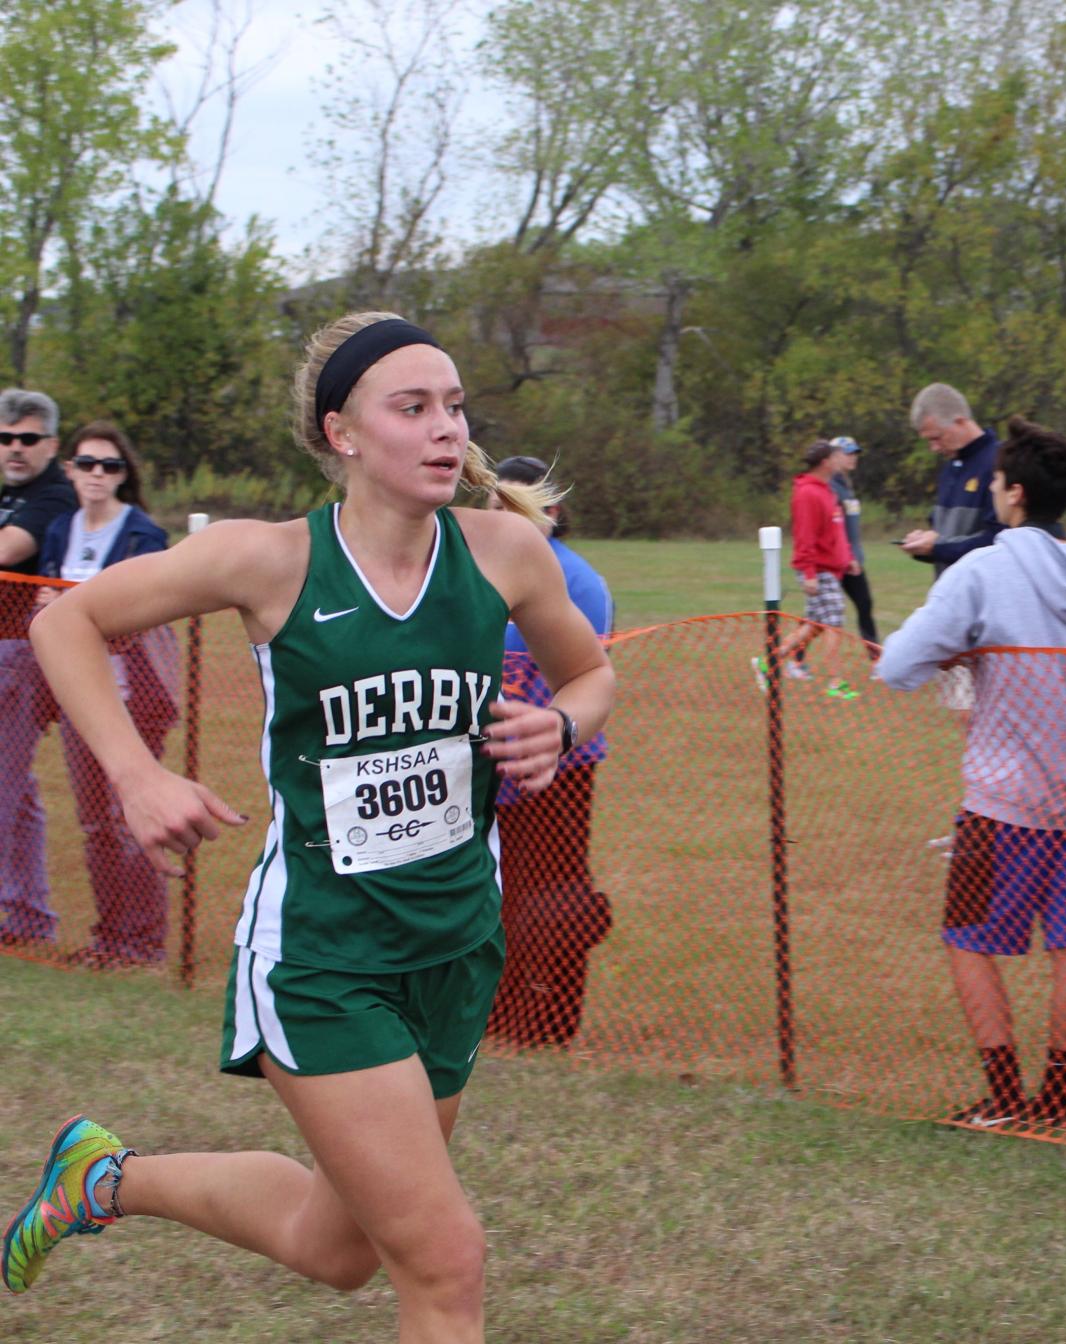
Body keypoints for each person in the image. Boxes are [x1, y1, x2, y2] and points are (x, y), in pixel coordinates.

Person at [3, 312, 615, 1342]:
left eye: (454, 408)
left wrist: (559, 723)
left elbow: (590, 674)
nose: (443, 431)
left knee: (340, 1249)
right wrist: (135, 773)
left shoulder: (505, 550)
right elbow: (65, 620)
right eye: (410, 408)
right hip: (325, 953)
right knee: (445, 1260)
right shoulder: (269, 560)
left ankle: (102, 1180)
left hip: (457, 942)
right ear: (343, 432)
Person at [878, 416, 1066, 1131]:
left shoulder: (983, 569)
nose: (990, 488)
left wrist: (963, 654)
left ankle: (1002, 1096)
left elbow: (897, 664)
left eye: (995, 480)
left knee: (965, 940)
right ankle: (1055, 1102)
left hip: (999, 804)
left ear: (1014, 494)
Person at [34, 421, 175, 967]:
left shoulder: (141, 533)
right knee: (95, 823)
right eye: (87, 464)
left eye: (109, 466)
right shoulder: (60, 530)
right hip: (83, 696)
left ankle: (142, 942)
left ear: (124, 475)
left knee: (130, 816)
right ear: (70, 469)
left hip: (133, 695)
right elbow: (45, 607)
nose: (97, 475)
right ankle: (108, 935)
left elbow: (144, 610)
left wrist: (74, 610)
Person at [486, 454, 614, 1049]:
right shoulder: (474, 570)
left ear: (552, 513)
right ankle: (495, 1015)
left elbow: (582, 678)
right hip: (485, 769)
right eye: (495, 504)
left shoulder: (577, 583)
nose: (503, 518)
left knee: (553, 896)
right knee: (495, 892)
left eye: (519, 506)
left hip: (556, 769)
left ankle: (547, 1025)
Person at [0, 387, 76, 947]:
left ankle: (26, 913)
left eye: (28, 438)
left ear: (51, 443)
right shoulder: (9, 491)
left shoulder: (54, 495)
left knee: (6, 787)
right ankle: (29, 917)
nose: (16, 449)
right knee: (17, 794)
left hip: (19, 655)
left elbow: (8, 550)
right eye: (5, 439)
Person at [752, 439, 857, 699]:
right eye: (835, 456)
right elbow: (805, 537)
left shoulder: (826, 490)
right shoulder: (808, 493)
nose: (840, 460)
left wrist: (847, 558)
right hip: (817, 568)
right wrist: (809, 574)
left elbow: (834, 530)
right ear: (825, 462)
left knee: (816, 625)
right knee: (834, 623)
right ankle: (836, 682)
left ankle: (769, 662)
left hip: (830, 567)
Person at [899, 383, 1001, 580]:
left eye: (936, 438)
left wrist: (937, 547)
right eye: (928, 441)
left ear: (960, 421)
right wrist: (925, 543)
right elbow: (947, 538)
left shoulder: (1000, 462)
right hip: (950, 597)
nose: (933, 448)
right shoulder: (951, 468)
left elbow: (999, 542)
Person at [828, 435, 879, 658]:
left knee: (863, 604)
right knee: (824, 615)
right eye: (848, 453)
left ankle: (875, 657)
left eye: (855, 453)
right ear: (833, 456)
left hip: (851, 557)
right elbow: (834, 527)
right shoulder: (830, 486)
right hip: (840, 559)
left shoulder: (845, 485)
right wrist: (848, 557)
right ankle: (876, 658)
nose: (853, 458)